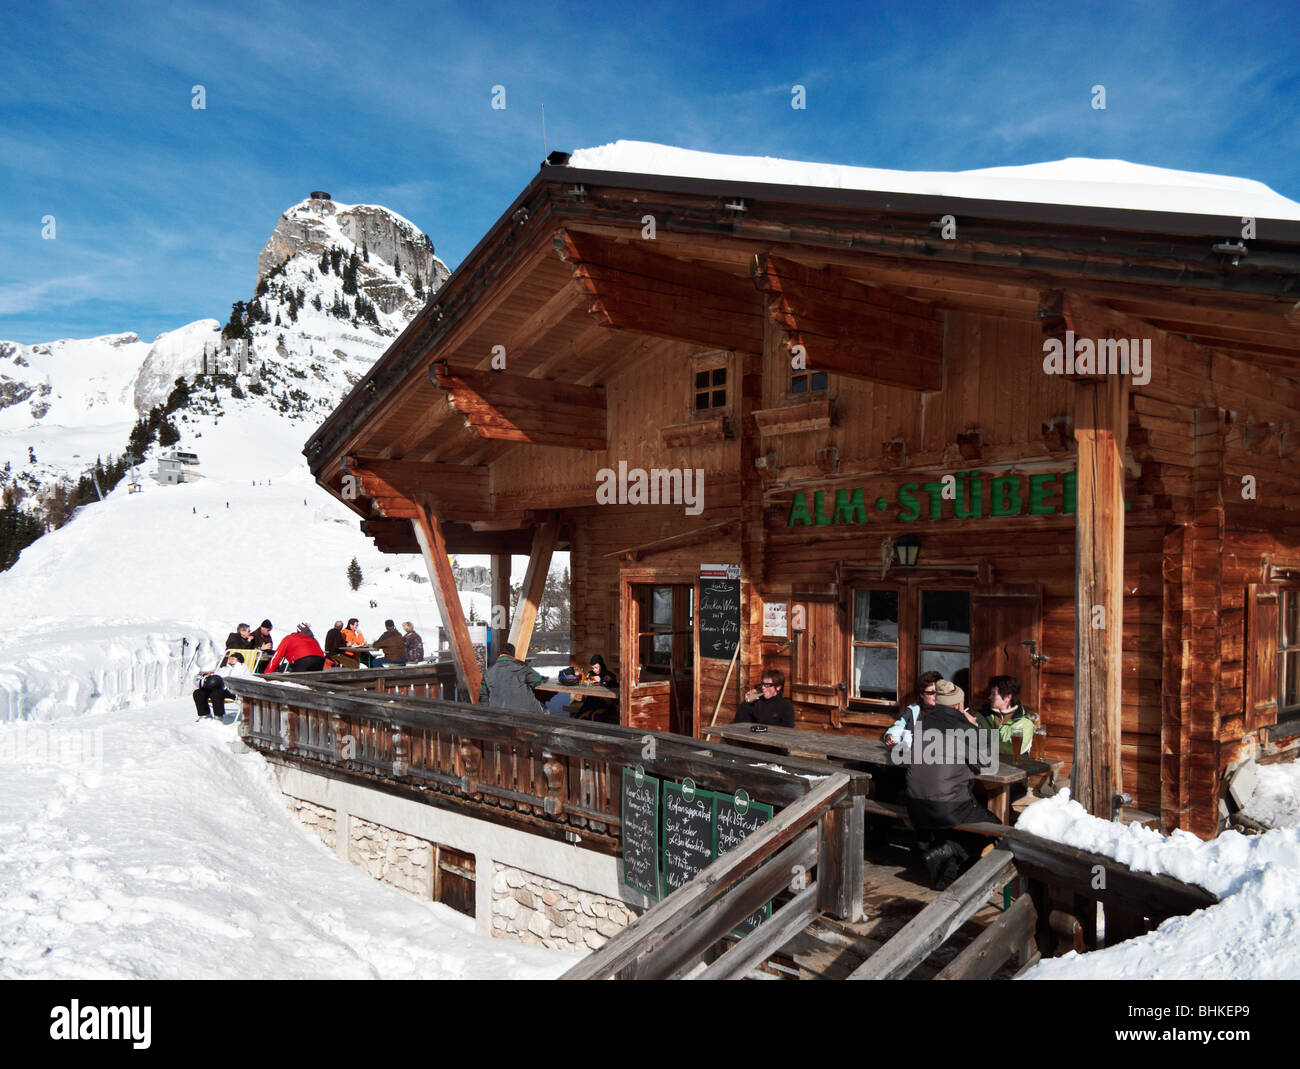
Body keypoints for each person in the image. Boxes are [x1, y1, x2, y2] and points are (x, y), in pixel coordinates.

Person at [903, 681, 999, 889]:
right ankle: (950, 853)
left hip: (914, 805)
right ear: (958, 706)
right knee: (995, 826)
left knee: (956, 825)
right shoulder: (964, 729)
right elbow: (989, 763)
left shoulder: (922, 724)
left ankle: (945, 869)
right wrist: (976, 727)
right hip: (946, 807)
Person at [976, 675, 1037, 757]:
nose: (989, 697)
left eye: (993, 694)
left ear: (1008, 697)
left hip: (1015, 768)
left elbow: (1013, 749)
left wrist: (985, 737)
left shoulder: (1025, 722)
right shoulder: (982, 716)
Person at [479, 642, 546, 714]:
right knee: (545, 709)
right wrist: (544, 679)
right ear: (513, 654)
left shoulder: (488, 672)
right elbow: (536, 680)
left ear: (500, 654)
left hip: (498, 713)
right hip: (525, 713)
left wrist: (490, 712)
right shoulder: (522, 667)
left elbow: (483, 696)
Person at [883, 670, 944, 748]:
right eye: (931, 693)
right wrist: (890, 736)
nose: (935, 696)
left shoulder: (948, 711)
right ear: (921, 694)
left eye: (938, 692)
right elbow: (900, 725)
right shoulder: (913, 710)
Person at [192, 651, 251, 719]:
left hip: (232, 691)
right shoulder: (224, 668)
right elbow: (215, 678)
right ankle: (205, 714)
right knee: (198, 692)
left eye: (233, 658)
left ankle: (219, 716)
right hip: (217, 688)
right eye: (230, 658)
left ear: (239, 660)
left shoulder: (242, 669)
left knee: (216, 693)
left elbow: (246, 681)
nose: (231, 659)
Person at [575, 654, 618, 721]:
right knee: (580, 715)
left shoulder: (608, 674)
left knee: (595, 717)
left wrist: (601, 680)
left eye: (596, 667)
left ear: (601, 665)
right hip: (591, 701)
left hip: (604, 702)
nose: (594, 670)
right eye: (592, 668)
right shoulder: (590, 674)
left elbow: (613, 684)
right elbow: (585, 682)